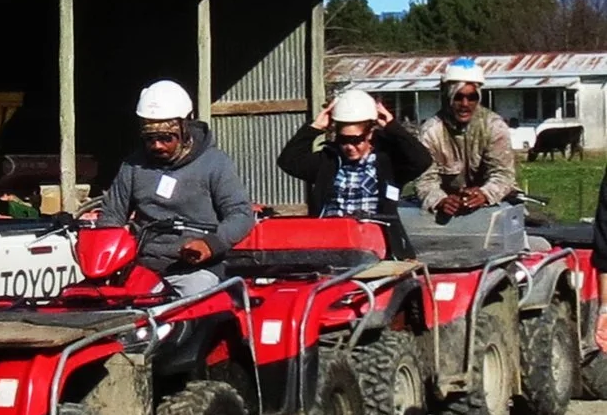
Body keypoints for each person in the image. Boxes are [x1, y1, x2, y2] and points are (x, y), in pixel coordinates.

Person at [103, 79, 255, 278]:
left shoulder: (214, 163)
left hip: (195, 270)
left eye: (166, 138)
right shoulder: (133, 166)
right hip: (141, 270)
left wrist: (210, 244)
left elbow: (241, 215)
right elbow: (111, 216)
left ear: (184, 129)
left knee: (190, 305)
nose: (157, 145)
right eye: (150, 139)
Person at [276, 87, 431, 232]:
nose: (349, 147)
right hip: (331, 240)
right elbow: (288, 161)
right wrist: (315, 127)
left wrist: (392, 127)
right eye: (344, 140)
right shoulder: (328, 162)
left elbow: (421, 160)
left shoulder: (387, 164)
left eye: (356, 140)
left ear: (369, 134)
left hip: (376, 241)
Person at [414, 56, 518, 216]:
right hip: (447, 211)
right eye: (458, 97)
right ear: (447, 96)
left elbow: (504, 174)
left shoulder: (494, 126)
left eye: (472, 97)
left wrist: (484, 194)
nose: (465, 104)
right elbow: (425, 180)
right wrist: (440, 200)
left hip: (495, 206)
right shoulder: (431, 132)